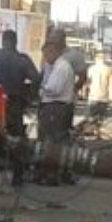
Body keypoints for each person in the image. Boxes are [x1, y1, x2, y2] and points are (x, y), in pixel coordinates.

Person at [0, 30, 40, 185]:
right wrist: (30, 96)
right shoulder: (22, 60)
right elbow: (36, 78)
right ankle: (17, 176)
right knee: (17, 139)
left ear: (3, 41)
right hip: (15, 103)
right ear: (15, 41)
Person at [38, 38, 77, 186]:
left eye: (46, 54)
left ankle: (52, 175)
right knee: (56, 140)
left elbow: (53, 89)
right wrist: (47, 66)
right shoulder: (55, 66)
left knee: (53, 142)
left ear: (54, 52)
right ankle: (55, 173)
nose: (45, 58)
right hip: (56, 107)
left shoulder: (61, 67)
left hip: (56, 107)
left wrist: (41, 90)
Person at [85, 49, 112, 137]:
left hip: (93, 96)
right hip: (104, 97)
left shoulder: (91, 69)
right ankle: (97, 131)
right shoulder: (109, 69)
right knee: (100, 116)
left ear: (96, 59)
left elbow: (87, 82)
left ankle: (93, 130)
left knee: (92, 115)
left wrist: (85, 93)